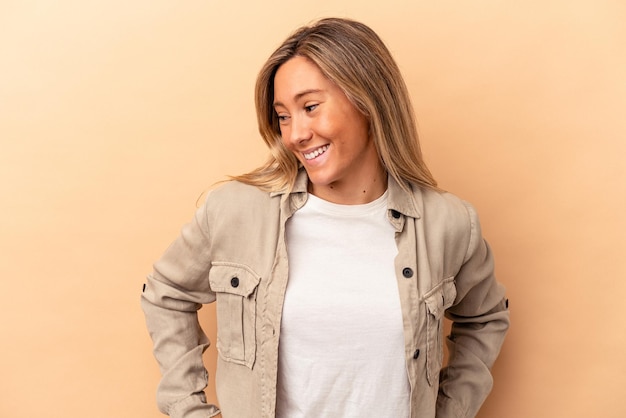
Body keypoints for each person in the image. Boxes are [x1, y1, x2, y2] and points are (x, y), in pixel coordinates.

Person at [141, 17, 509, 418]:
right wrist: (189, 409)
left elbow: (485, 318)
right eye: (283, 116)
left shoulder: (447, 225)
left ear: (367, 100)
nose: (295, 134)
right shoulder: (235, 211)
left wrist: (450, 410)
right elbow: (166, 293)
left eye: (310, 107)